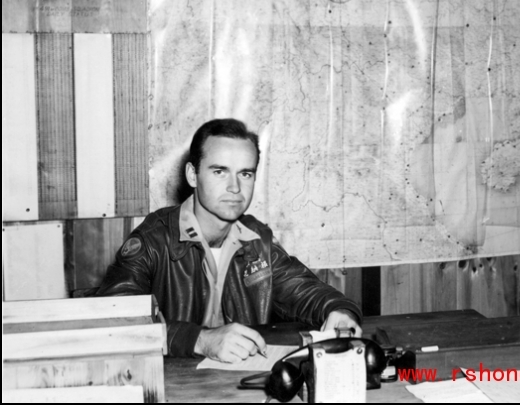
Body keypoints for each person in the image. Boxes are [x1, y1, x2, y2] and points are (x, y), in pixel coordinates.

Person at [96, 118, 362, 362]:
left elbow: (304, 291)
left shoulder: (257, 239)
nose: (235, 187)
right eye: (220, 172)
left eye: (245, 173)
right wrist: (199, 340)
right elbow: (114, 322)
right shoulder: (153, 240)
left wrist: (339, 311)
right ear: (192, 175)